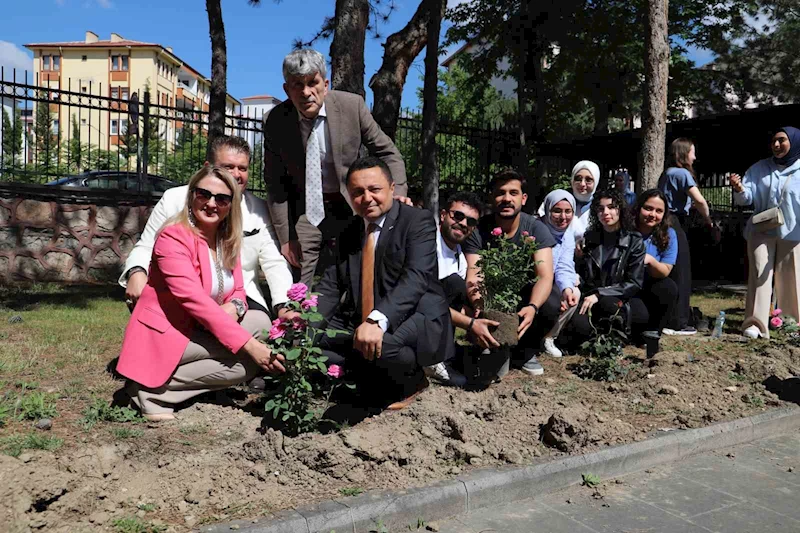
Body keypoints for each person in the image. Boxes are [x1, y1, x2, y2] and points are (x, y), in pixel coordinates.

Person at [116, 167, 285, 421]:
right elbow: (194, 301)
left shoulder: (226, 238)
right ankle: (151, 392)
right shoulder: (173, 237)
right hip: (168, 330)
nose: (211, 203)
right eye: (203, 194)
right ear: (191, 195)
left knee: (256, 339)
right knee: (248, 356)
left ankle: (165, 381)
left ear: (231, 205)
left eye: (222, 198)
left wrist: (236, 307)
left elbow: (239, 289)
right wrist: (249, 346)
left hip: (201, 327)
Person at [314, 157, 452, 410]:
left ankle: (413, 379)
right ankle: (367, 375)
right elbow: (331, 287)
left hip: (415, 315)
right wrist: (304, 329)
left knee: (382, 346)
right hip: (362, 318)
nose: (366, 198)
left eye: (374, 189)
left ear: (391, 188)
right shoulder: (348, 230)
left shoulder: (416, 221)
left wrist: (378, 319)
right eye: (357, 192)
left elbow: (416, 277)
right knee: (313, 343)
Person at [264, 49, 408, 287]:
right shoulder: (275, 121)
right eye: (297, 85)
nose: (306, 92)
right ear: (286, 89)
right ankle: (296, 321)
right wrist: (286, 237)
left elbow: (388, 152)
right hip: (305, 209)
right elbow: (274, 183)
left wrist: (398, 193)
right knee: (298, 280)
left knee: (357, 273)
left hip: (351, 204)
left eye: (313, 83)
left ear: (326, 83)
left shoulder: (352, 107)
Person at [120, 136, 294, 323]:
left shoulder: (259, 210)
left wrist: (284, 305)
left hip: (239, 294)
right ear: (207, 167)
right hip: (182, 293)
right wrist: (136, 272)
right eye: (228, 167)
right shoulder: (173, 199)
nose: (236, 175)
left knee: (259, 325)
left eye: (242, 168)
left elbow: (274, 262)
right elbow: (147, 246)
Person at [464, 169, 560, 376]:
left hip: (523, 295)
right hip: (490, 295)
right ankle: (487, 344)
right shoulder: (479, 230)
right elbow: (474, 274)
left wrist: (533, 307)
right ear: (491, 198)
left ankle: (525, 351)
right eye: (500, 192)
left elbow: (545, 275)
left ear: (523, 198)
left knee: (552, 299)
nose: (507, 198)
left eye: (513, 193)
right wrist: (479, 305)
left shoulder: (536, 228)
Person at [730, 127, 800, 339]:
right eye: (774, 141)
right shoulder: (759, 168)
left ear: (795, 142)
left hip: (793, 232)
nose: (776, 145)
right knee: (760, 273)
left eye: (782, 140)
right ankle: (755, 324)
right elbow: (746, 198)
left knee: (791, 277)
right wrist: (739, 189)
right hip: (762, 230)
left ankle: (790, 324)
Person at [427, 191, 496, 386]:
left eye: (471, 222)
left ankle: (444, 354)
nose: (464, 223)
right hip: (416, 315)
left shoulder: (460, 256)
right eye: (458, 216)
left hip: (436, 317)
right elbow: (425, 300)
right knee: (455, 284)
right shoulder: (427, 244)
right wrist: (471, 324)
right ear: (443, 215)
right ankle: (431, 359)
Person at [565, 189, 647, 344]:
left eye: (611, 207)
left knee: (629, 313)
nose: (606, 212)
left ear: (620, 210)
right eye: (600, 208)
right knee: (579, 329)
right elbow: (583, 275)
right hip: (590, 297)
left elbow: (634, 283)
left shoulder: (634, 241)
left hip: (618, 296)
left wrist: (600, 294)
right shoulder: (589, 238)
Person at [657, 138, 717, 335]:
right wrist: (708, 219)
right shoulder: (682, 173)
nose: (695, 156)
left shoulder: (667, 173)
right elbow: (699, 200)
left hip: (665, 221)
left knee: (671, 270)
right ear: (683, 154)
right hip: (676, 221)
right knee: (682, 272)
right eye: (692, 152)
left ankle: (668, 317)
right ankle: (680, 322)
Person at [539, 190, 580, 358]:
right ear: (548, 210)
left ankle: (548, 337)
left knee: (574, 291)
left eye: (568, 211)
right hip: (535, 280)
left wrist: (566, 289)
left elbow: (564, 266)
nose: (563, 216)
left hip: (554, 279)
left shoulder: (568, 235)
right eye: (557, 211)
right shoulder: (537, 229)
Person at [633, 189, 679, 333]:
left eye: (659, 211)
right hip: (626, 285)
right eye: (648, 209)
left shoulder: (669, 234)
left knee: (669, 287)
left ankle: (654, 332)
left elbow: (665, 270)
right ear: (639, 208)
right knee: (639, 316)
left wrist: (650, 261)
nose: (653, 214)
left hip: (650, 282)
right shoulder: (626, 230)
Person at [539, 160, 601, 242]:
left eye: (588, 180)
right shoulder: (557, 202)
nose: (582, 184)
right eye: (578, 179)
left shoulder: (601, 208)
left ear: (596, 182)